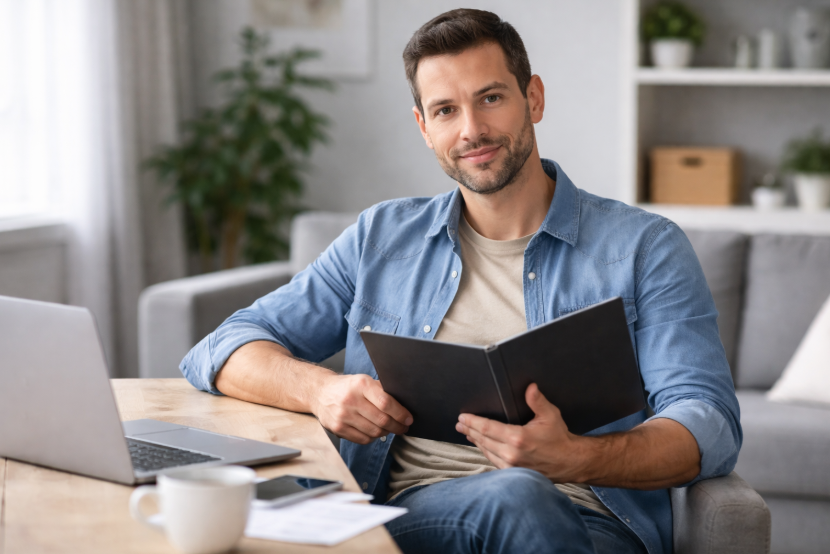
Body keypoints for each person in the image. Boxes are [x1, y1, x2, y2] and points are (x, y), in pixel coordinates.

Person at [181, 9, 741, 554]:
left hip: (587, 524)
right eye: (446, 110)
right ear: (424, 128)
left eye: (490, 98)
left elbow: (707, 422)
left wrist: (576, 457)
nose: (472, 130)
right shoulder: (382, 237)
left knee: (521, 497)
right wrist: (321, 390)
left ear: (533, 98)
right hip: (410, 520)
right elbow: (224, 347)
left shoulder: (645, 247)